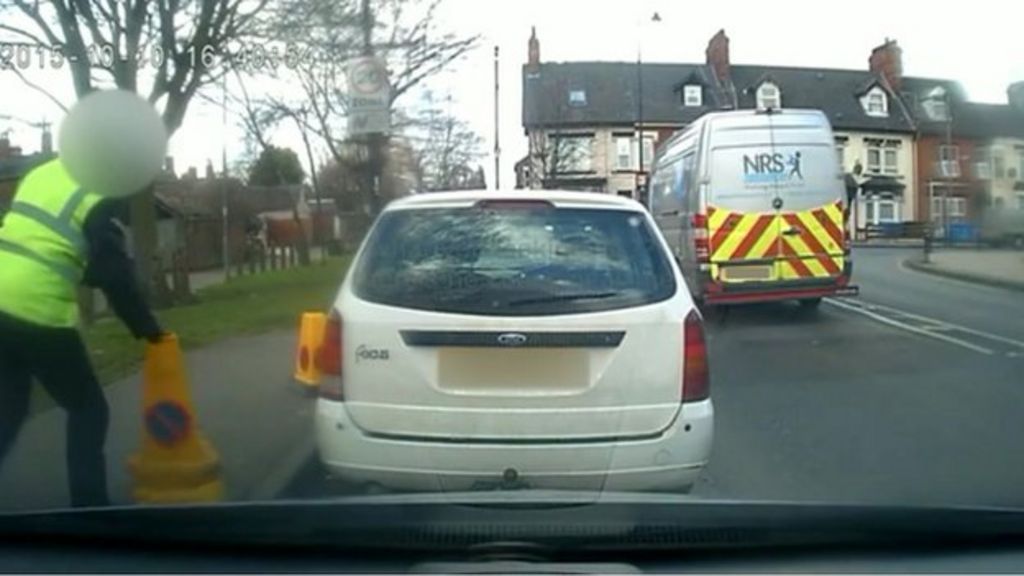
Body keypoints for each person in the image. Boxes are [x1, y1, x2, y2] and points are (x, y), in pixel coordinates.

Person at [0, 157, 164, 507]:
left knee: (8, 409)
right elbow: (115, 277)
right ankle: (90, 510)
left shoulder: (42, 173)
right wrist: (149, 330)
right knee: (89, 408)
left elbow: (46, 241)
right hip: (38, 309)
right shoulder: (99, 192)